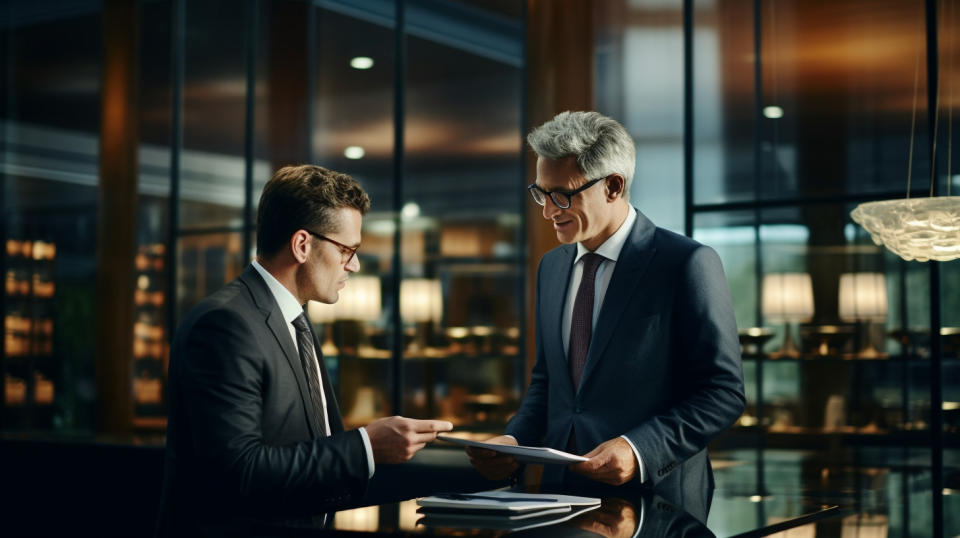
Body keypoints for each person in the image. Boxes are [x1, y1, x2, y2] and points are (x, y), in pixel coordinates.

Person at [467, 111, 744, 520]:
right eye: (541, 193)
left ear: (613, 186)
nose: (548, 211)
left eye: (562, 195)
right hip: (558, 499)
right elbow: (548, 383)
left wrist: (638, 449)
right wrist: (514, 439)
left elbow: (723, 393)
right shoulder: (552, 267)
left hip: (659, 501)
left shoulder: (686, 263)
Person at [157, 165, 452, 536]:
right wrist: (364, 446)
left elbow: (310, 453)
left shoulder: (296, 319)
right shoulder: (223, 325)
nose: (355, 265)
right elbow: (239, 469)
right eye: (347, 250)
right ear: (302, 245)